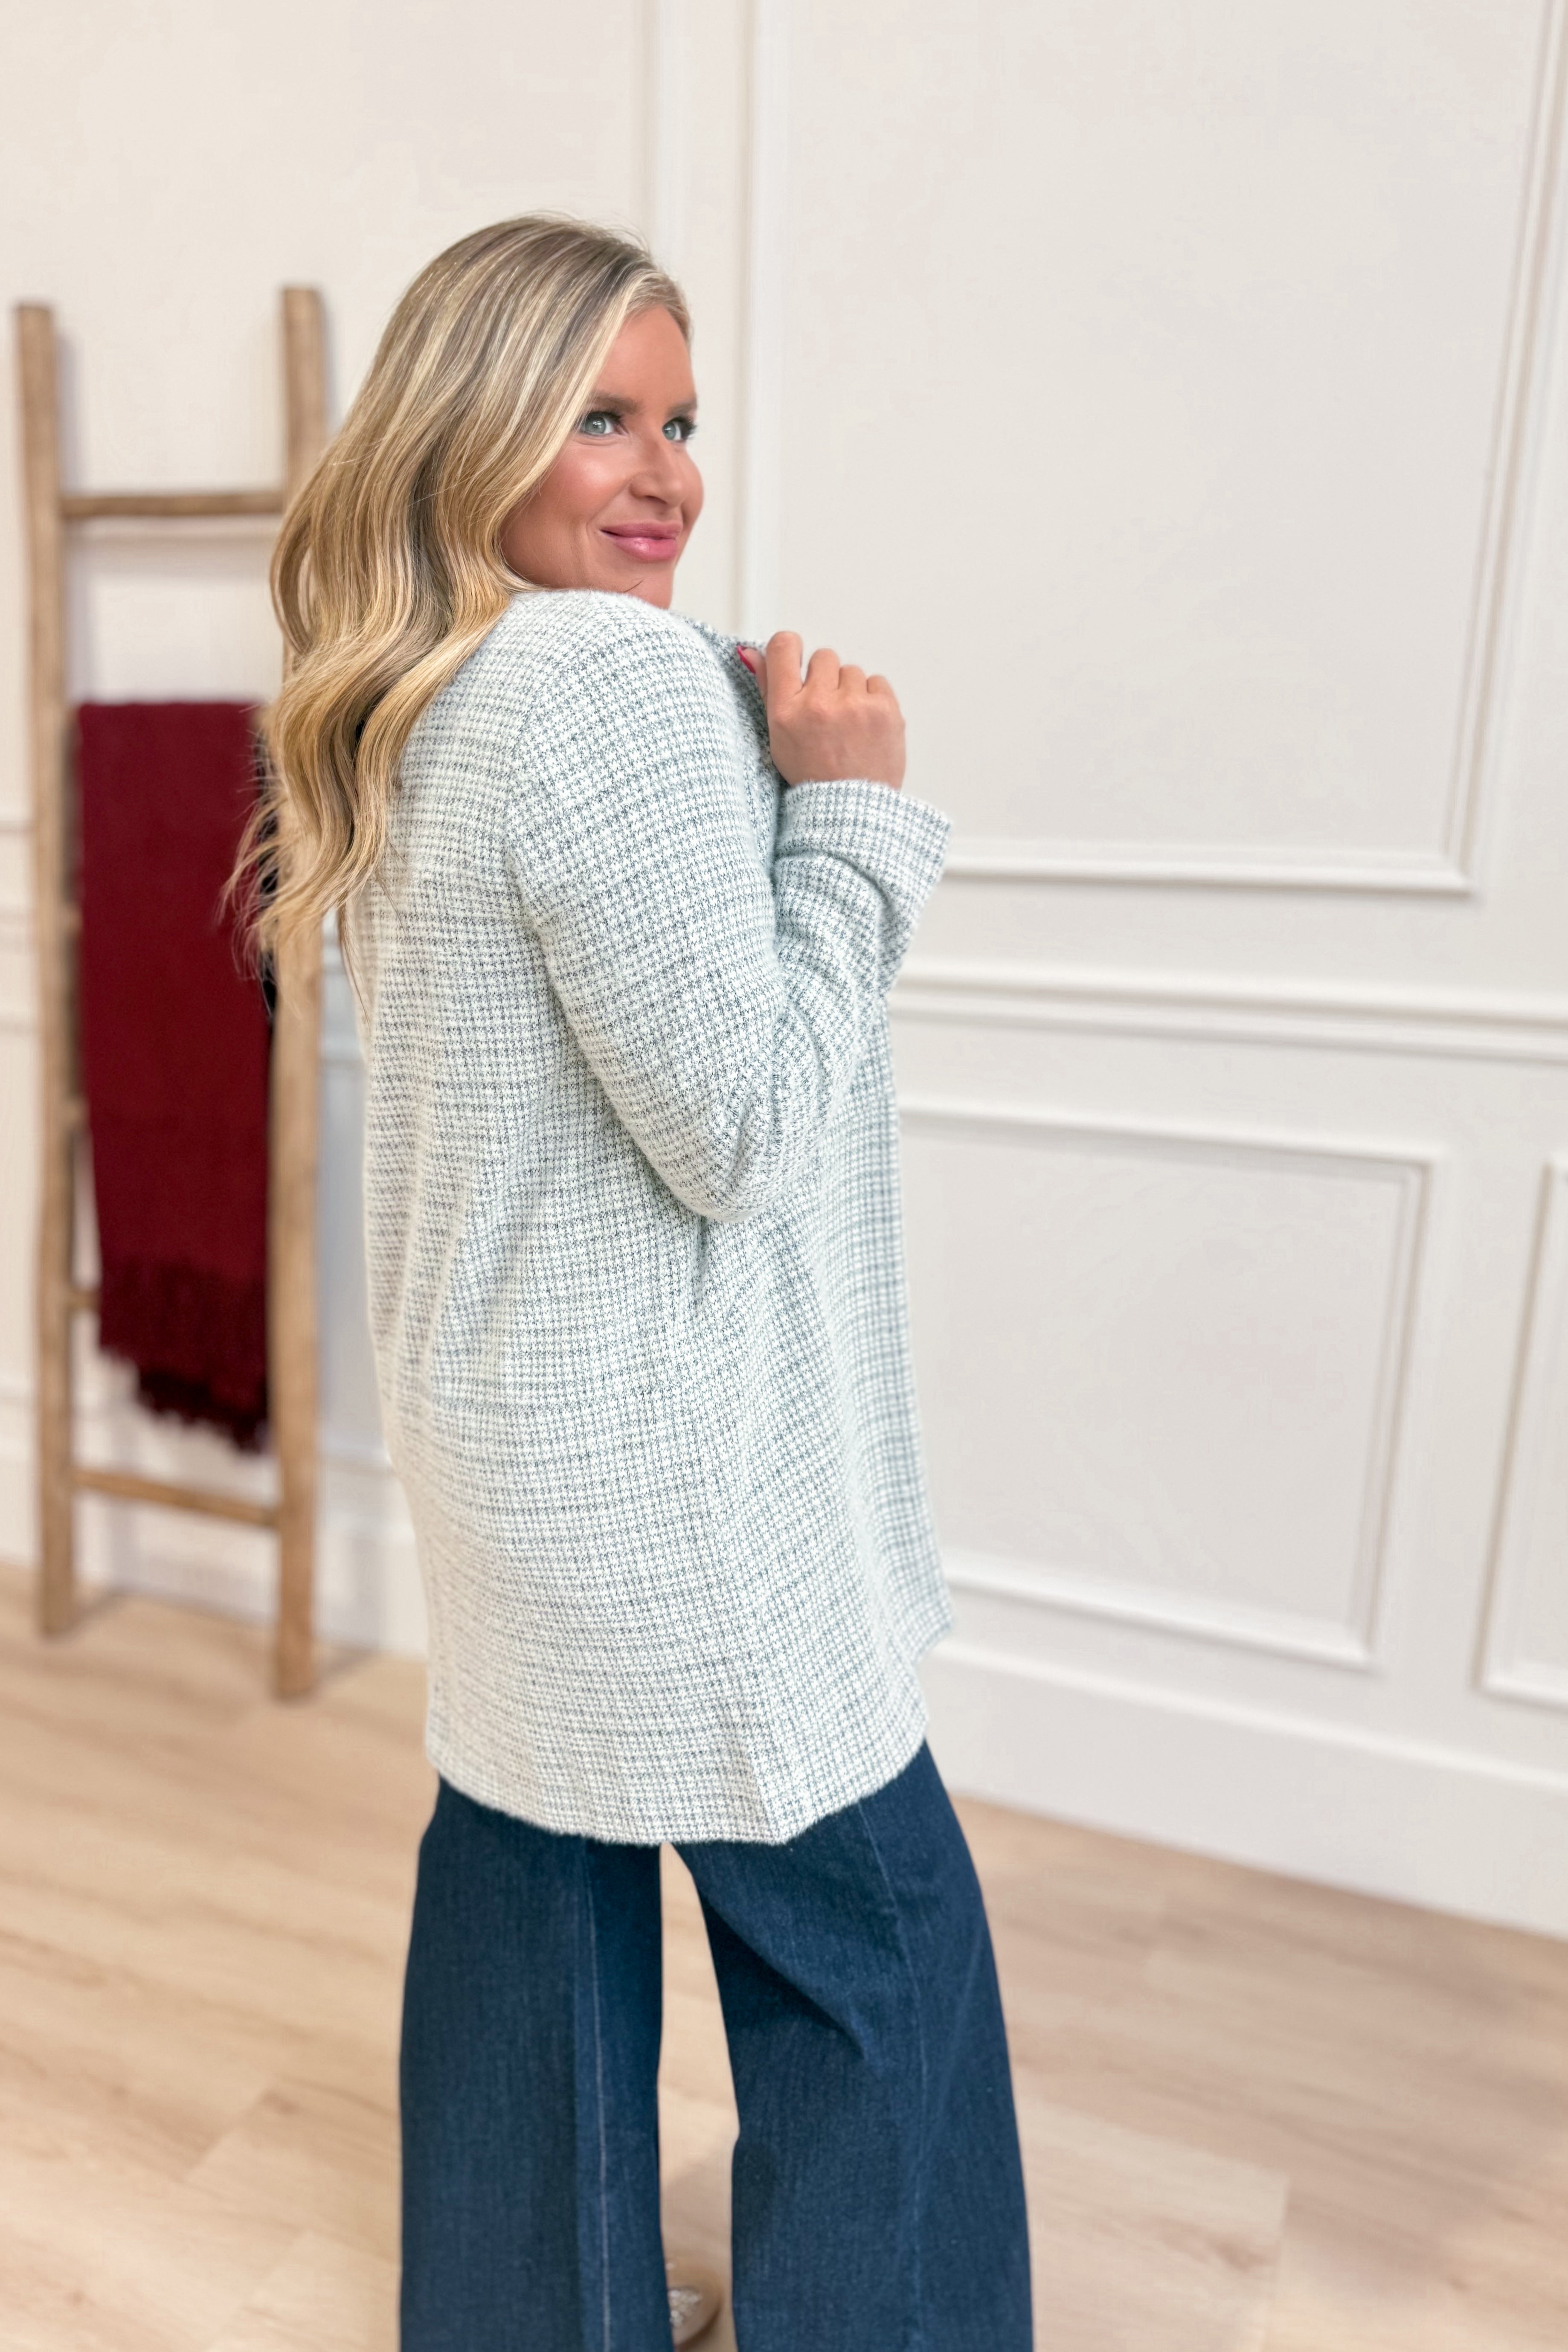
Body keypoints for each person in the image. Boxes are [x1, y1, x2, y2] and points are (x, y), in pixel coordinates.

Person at [245, 214, 1033, 2352]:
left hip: (514, 1448)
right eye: (599, 414)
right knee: (881, 1944)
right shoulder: (601, 680)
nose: (662, 469)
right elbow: (742, 1129)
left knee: (532, 1890)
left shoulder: (412, 697)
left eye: (680, 419)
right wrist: (848, 814)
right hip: (685, 1486)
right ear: (470, 422)